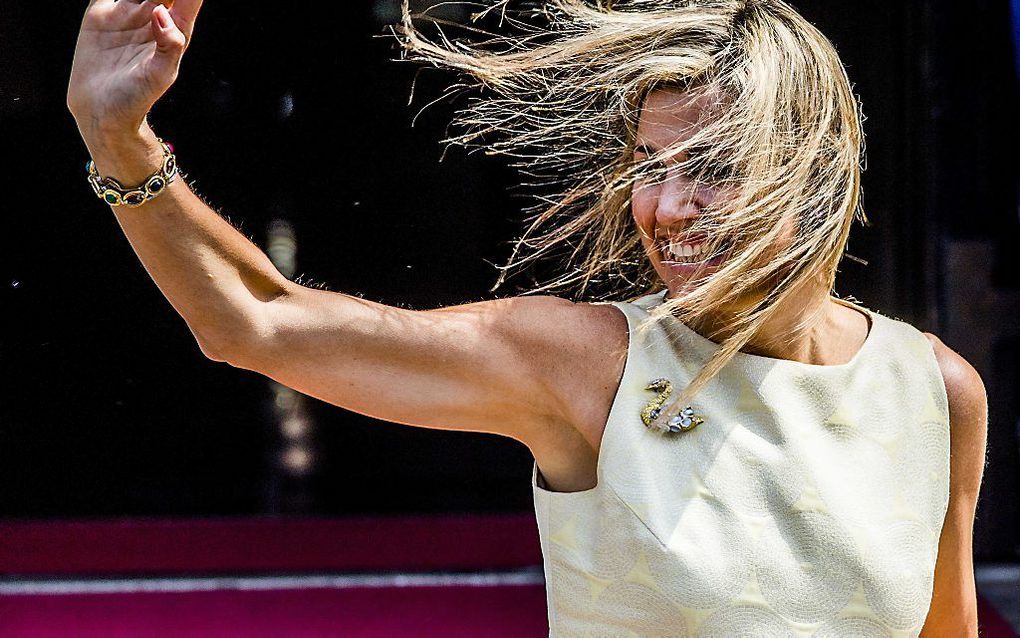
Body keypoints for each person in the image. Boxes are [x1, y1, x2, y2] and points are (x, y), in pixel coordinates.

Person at [67, 0, 987, 634]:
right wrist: (121, 140)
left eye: (710, 167)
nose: (667, 208)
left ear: (816, 170)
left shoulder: (937, 390)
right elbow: (255, 321)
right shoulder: (588, 361)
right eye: (648, 167)